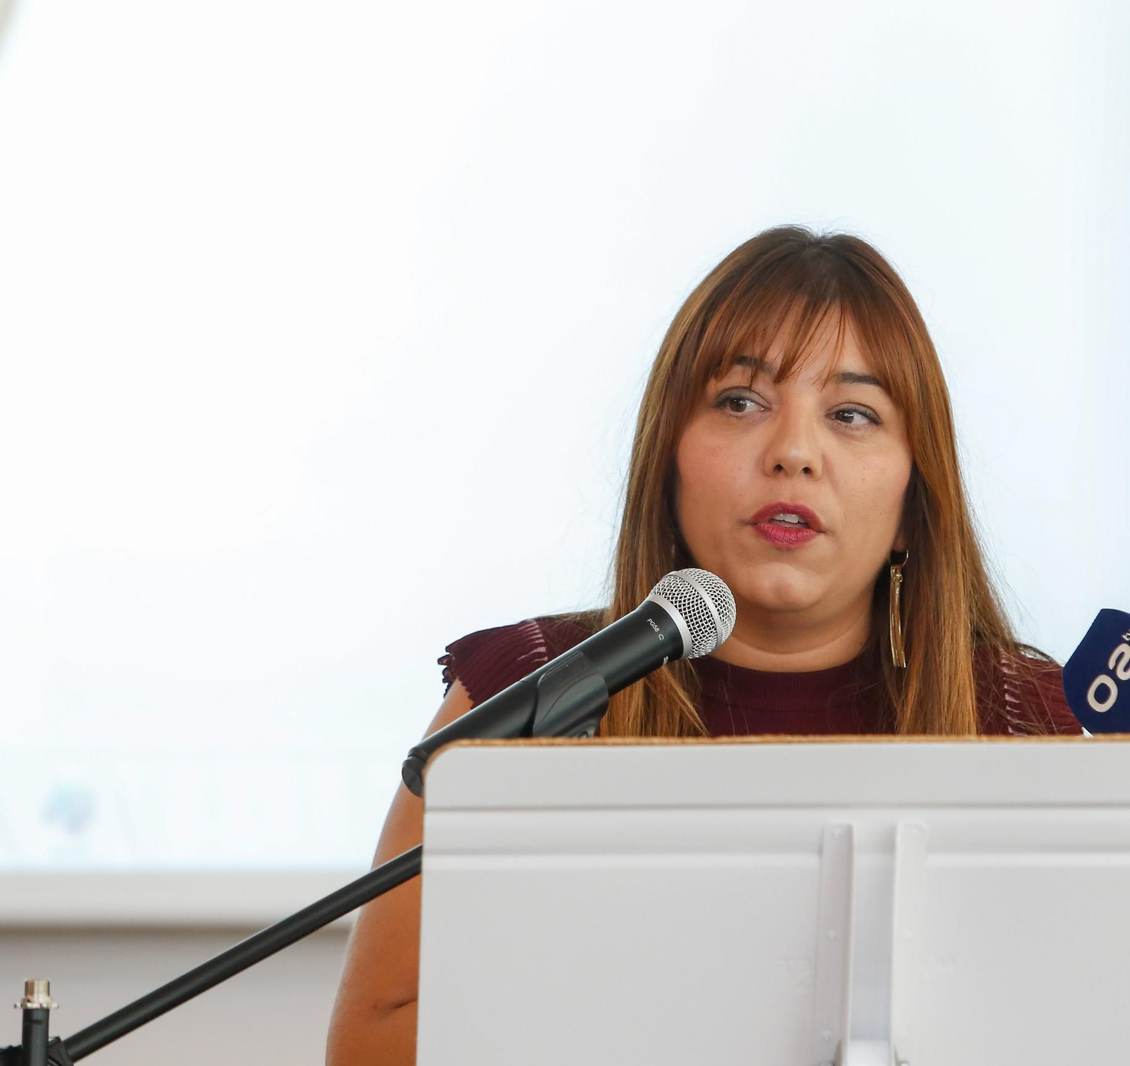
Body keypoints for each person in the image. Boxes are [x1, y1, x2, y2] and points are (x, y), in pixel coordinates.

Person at [324, 225, 1080, 1065]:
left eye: (852, 414)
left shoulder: (1025, 722)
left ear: (912, 501)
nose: (793, 452)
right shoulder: (532, 695)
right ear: (669, 461)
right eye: (741, 402)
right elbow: (374, 1042)